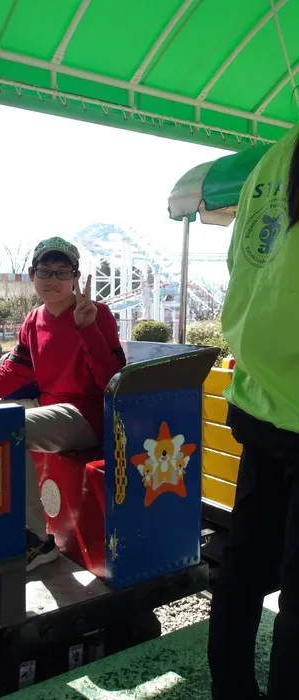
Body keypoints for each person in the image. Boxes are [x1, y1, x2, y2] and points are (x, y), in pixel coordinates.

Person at [208, 123, 299, 699]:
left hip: (256, 395)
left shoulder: (270, 160)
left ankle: (232, 690)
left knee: (243, 567)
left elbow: (240, 268)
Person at [0, 236, 126, 571]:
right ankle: (3, 522)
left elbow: (113, 378)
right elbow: (12, 372)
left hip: (87, 415)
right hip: (51, 407)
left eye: (63, 272)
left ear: (76, 277)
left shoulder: (97, 314)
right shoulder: (34, 320)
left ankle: (37, 538)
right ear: (32, 275)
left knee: (10, 425)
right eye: (45, 271)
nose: (53, 279)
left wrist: (87, 328)